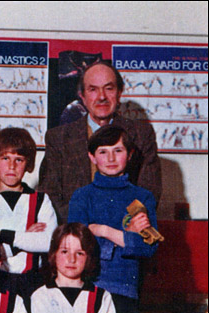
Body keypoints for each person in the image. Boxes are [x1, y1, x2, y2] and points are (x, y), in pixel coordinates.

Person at [68, 124, 158, 313]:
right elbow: (78, 245)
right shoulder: (82, 196)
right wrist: (125, 235)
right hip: (86, 286)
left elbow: (149, 246)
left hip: (123, 288)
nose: (110, 158)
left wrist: (105, 230)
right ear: (91, 157)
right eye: (103, 151)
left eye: (117, 150)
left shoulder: (140, 198)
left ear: (129, 155)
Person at [39, 61, 161, 221]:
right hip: (75, 234)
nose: (102, 96)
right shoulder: (58, 138)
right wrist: (82, 226)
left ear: (119, 93)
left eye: (109, 88)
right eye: (93, 90)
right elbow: (49, 194)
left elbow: (149, 191)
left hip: (125, 232)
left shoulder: (141, 134)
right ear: (82, 96)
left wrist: (119, 227)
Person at [0, 127, 56, 297]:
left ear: (28, 163)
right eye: (5, 158)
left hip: (34, 281)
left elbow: (48, 243)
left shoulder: (41, 200)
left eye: (19, 160)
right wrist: (26, 238)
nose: (11, 166)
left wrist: (2, 235)